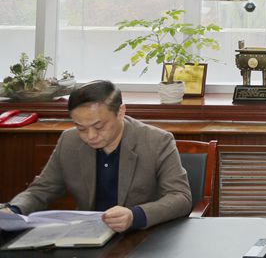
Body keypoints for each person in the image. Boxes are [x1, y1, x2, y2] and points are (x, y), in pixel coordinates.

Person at [0, 80, 191, 231]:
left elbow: (180, 197)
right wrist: (13, 210)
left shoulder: (157, 141)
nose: (90, 136)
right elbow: (42, 189)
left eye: (99, 126)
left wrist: (135, 215)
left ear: (121, 112)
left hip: (141, 236)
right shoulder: (69, 140)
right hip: (88, 235)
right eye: (81, 128)